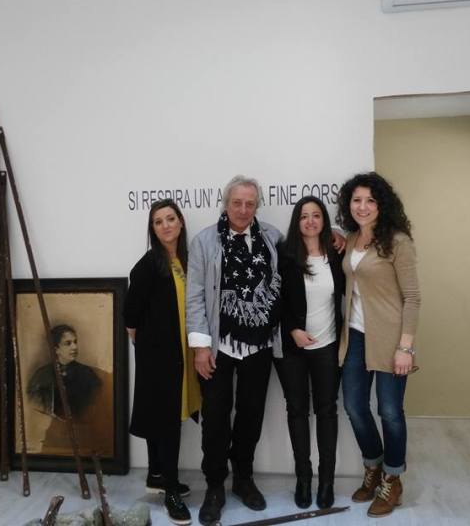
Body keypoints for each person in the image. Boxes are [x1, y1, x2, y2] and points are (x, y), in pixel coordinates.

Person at [186, 175, 283, 525]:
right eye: (237, 203)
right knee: (215, 419)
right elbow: (195, 296)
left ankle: (243, 478)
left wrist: (336, 235)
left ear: (257, 205)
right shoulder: (204, 241)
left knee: (251, 415)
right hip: (218, 345)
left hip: (259, 344)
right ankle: (215, 486)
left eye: (250, 203)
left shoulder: (272, 237)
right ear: (226, 204)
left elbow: (304, 252)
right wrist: (200, 347)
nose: (243, 210)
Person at [336, 172, 420, 518]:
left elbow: (412, 298)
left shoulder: (398, 242)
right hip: (355, 336)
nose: (363, 206)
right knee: (355, 406)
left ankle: (392, 479)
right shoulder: (351, 239)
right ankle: (373, 465)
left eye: (370, 200)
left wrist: (405, 348)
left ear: (381, 204)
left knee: (389, 411)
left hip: (390, 339)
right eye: (357, 200)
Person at [124, 199, 201, 526]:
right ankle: (170, 490)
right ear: (153, 229)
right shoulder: (147, 266)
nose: (166, 226)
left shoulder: (186, 260)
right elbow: (130, 317)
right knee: (166, 420)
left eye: (170, 219)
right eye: (158, 222)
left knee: (165, 417)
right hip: (159, 356)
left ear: (181, 222)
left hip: (183, 352)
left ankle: (157, 475)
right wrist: (149, 346)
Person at [277, 196, 345, 509]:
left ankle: (326, 481)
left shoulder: (336, 254)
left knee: (327, 412)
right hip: (294, 348)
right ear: (297, 221)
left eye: (316, 215)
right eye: (304, 216)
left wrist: (342, 237)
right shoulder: (285, 255)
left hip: (327, 347)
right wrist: (292, 329)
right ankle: (303, 479)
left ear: (324, 220)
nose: (310, 221)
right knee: (297, 411)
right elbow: (276, 299)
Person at [27, 324, 114, 456]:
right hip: (53, 438)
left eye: (75, 342)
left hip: (82, 438)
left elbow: (95, 410)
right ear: (56, 349)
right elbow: (35, 408)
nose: (74, 347)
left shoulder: (88, 375)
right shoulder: (41, 376)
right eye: (68, 343)